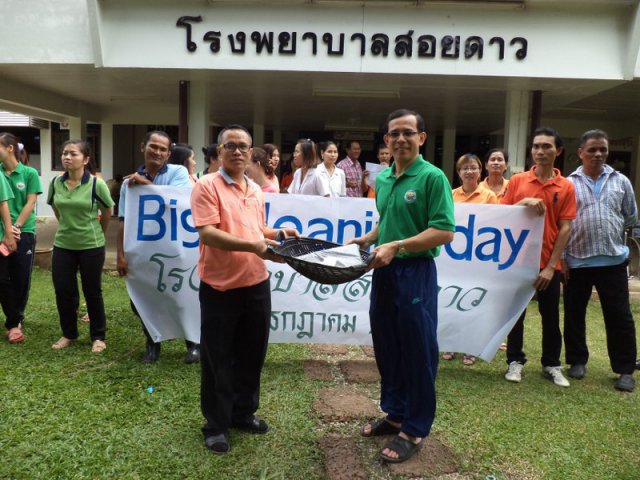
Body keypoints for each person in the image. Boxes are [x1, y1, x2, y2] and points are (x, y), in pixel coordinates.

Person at [352, 109, 455, 464]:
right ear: (386, 140)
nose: (400, 139)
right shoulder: (383, 179)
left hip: (415, 272)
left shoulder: (432, 177)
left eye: (408, 133)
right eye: (394, 133)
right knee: (387, 345)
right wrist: (369, 238)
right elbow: (387, 219)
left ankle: (414, 428)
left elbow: (444, 231)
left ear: (421, 138)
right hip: (384, 270)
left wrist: (397, 246)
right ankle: (395, 414)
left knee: (417, 349)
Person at [190, 124, 298, 455]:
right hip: (220, 287)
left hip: (256, 284)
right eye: (230, 145)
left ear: (251, 152)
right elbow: (208, 233)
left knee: (252, 355)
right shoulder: (206, 186)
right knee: (218, 359)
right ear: (219, 151)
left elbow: (255, 229)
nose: (237, 151)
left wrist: (277, 234)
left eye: (243, 146)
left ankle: (242, 413)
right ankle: (216, 425)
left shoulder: (255, 189)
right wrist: (255, 246)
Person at [501, 127, 576, 387]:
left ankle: (551, 364)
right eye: (536, 146)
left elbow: (565, 228)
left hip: (548, 264)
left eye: (546, 146)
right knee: (516, 315)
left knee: (551, 316)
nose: (540, 151)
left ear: (558, 151)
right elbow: (502, 216)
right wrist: (524, 202)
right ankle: (515, 360)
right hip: (519, 262)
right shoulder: (517, 181)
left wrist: (552, 266)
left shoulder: (566, 186)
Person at [563, 129, 637, 392]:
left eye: (602, 149)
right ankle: (576, 361)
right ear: (580, 152)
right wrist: (562, 259)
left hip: (613, 261)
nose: (598, 154)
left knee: (620, 316)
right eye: (592, 149)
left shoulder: (621, 181)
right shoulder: (568, 183)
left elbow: (630, 216)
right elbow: (562, 223)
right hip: (577, 261)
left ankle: (625, 369)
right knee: (574, 314)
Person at [117, 131, 199, 364]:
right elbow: (123, 220)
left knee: (181, 296)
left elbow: (178, 202)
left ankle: (193, 344)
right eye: (154, 146)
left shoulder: (178, 172)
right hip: (142, 251)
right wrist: (120, 255)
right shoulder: (128, 185)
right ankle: (152, 343)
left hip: (176, 249)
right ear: (143, 147)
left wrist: (145, 184)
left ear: (169, 154)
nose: (158, 152)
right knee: (142, 299)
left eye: (163, 149)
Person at [47, 139, 114, 353]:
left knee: (92, 291)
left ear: (85, 159)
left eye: (73, 154)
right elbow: (56, 208)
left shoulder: (96, 184)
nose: (67, 157)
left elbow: (107, 212)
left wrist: (99, 233)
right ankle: (69, 334)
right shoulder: (55, 183)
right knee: (63, 291)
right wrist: (68, 225)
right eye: (64, 153)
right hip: (63, 244)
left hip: (91, 245)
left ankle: (98, 336)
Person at [442, 153, 497, 365]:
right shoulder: (450, 195)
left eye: (473, 167)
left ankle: (471, 348)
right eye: (464, 168)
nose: (469, 171)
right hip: (454, 257)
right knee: (452, 300)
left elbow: (495, 225)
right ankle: (450, 343)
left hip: (478, 258)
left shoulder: (489, 196)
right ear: (458, 173)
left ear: (480, 171)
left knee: (474, 302)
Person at [0, 133, 42, 336]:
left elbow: (31, 202)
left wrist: (15, 227)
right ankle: (13, 318)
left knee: (21, 277)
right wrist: (7, 230)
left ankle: (17, 317)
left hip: (24, 231)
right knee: (2, 277)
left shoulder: (29, 173)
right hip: (2, 232)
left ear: (10, 148)